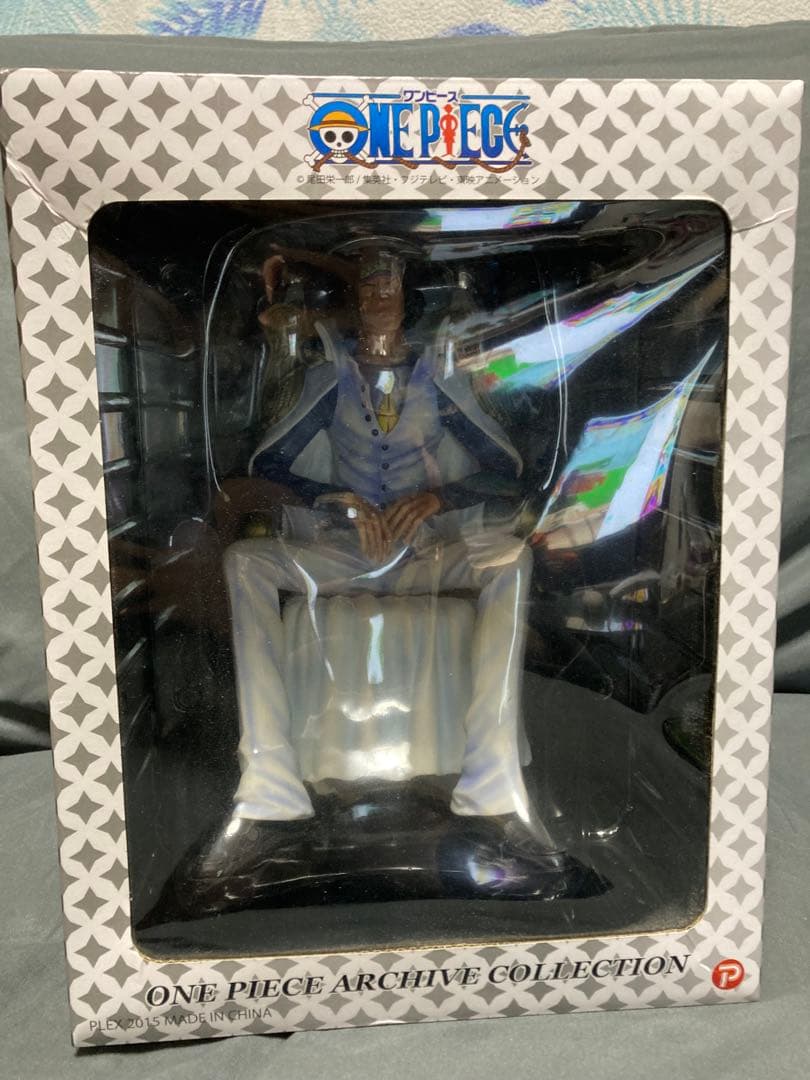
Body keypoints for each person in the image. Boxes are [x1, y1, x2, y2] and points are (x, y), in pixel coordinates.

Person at [182, 238, 604, 914]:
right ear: (355, 302)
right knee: (246, 564)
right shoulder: (330, 379)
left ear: (407, 299)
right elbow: (269, 465)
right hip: (347, 553)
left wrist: (440, 498)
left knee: (510, 559)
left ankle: (492, 785)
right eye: (368, 287)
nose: (379, 297)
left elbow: (507, 469)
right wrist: (332, 499)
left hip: (425, 555)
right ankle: (270, 787)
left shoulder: (439, 378)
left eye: (390, 286)